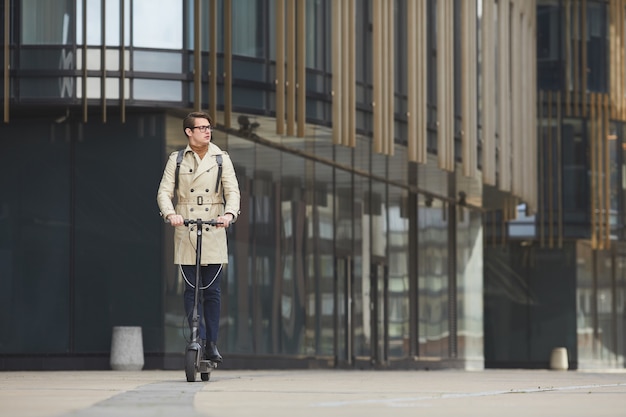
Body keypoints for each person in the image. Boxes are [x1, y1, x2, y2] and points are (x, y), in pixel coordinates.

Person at [157, 111, 240, 363]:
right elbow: (163, 192)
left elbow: (233, 191)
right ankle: (197, 337)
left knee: (212, 291)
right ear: (188, 132)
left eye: (209, 127)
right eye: (201, 127)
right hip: (186, 228)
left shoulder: (221, 159)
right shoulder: (177, 159)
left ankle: (212, 343)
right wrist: (171, 214)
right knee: (190, 291)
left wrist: (228, 214)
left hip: (214, 227)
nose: (207, 131)